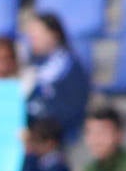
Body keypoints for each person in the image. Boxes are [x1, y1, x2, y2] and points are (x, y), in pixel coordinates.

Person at [24, 12, 91, 145]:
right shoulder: (33, 64)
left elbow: (70, 106)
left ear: (53, 34)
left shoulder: (68, 66)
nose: (32, 39)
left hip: (62, 137)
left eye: (37, 34)